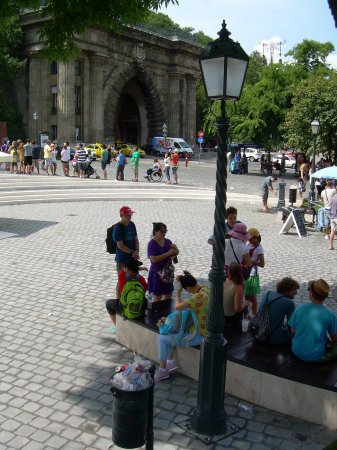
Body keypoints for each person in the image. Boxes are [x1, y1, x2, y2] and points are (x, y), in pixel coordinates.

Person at [154, 271, 210, 382]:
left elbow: (178, 307)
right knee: (171, 333)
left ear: (188, 288)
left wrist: (178, 294)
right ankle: (170, 363)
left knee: (162, 338)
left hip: (199, 335)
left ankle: (162, 370)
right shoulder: (205, 289)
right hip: (206, 329)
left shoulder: (197, 297)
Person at [289, 279, 337, 362]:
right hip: (316, 355)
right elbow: (335, 338)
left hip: (296, 351)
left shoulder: (299, 308)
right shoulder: (331, 315)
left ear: (311, 294)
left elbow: (292, 331)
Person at [105, 258, 147, 334]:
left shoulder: (122, 275)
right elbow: (145, 290)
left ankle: (117, 327)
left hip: (124, 308)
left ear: (127, 268)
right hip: (139, 309)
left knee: (108, 303)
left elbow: (122, 271)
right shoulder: (141, 279)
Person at [258, 277, 299, 345]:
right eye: (294, 290)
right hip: (273, 339)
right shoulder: (289, 303)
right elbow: (291, 326)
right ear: (286, 291)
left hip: (258, 333)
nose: (296, 292)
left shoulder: (268, 293)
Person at [147, 222, 179, 302]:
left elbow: (174, 256)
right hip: (157, 273)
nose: (164, 233)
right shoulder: (152, 244)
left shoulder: (168, 242)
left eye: (165, 231)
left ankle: (166, 314)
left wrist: (176, 250)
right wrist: (168, 253)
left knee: (168, 296)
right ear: (155, 232)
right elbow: (153, 259)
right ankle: (156, 314)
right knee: (157, 297)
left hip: (167, 273)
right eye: (162, 231)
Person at [113, 206, 140, 297]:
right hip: (122, 260)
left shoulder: (132, 224)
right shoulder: (118, 228)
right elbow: (120, 245)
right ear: (121, 215)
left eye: (130, 214)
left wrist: (137, 252)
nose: (129, 217)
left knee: (134, 278)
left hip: (132, 258)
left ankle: (132, 297)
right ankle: (119, 300)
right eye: (127, 215)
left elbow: (136, 239)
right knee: (122, 281)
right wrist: (133, 253)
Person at [223, 263, 250, 331]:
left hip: (220, 314)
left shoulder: (223, 281)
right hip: (229, 318)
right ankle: (243, 328)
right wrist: (245, 304)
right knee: (247, 305)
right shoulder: (237, 288)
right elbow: (238, 309)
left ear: (228, 272)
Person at [244, 227, 265, 315]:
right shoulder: (249, 245)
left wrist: (254, 261)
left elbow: (262, 264)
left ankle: (254, 313)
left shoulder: (259, 248)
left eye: (251, 238)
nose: (250, 240)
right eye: (249, 238)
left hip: (252, 274)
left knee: (253, 297)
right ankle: (246, 314)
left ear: (256, 237)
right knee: (246, 296)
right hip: (246, 272)